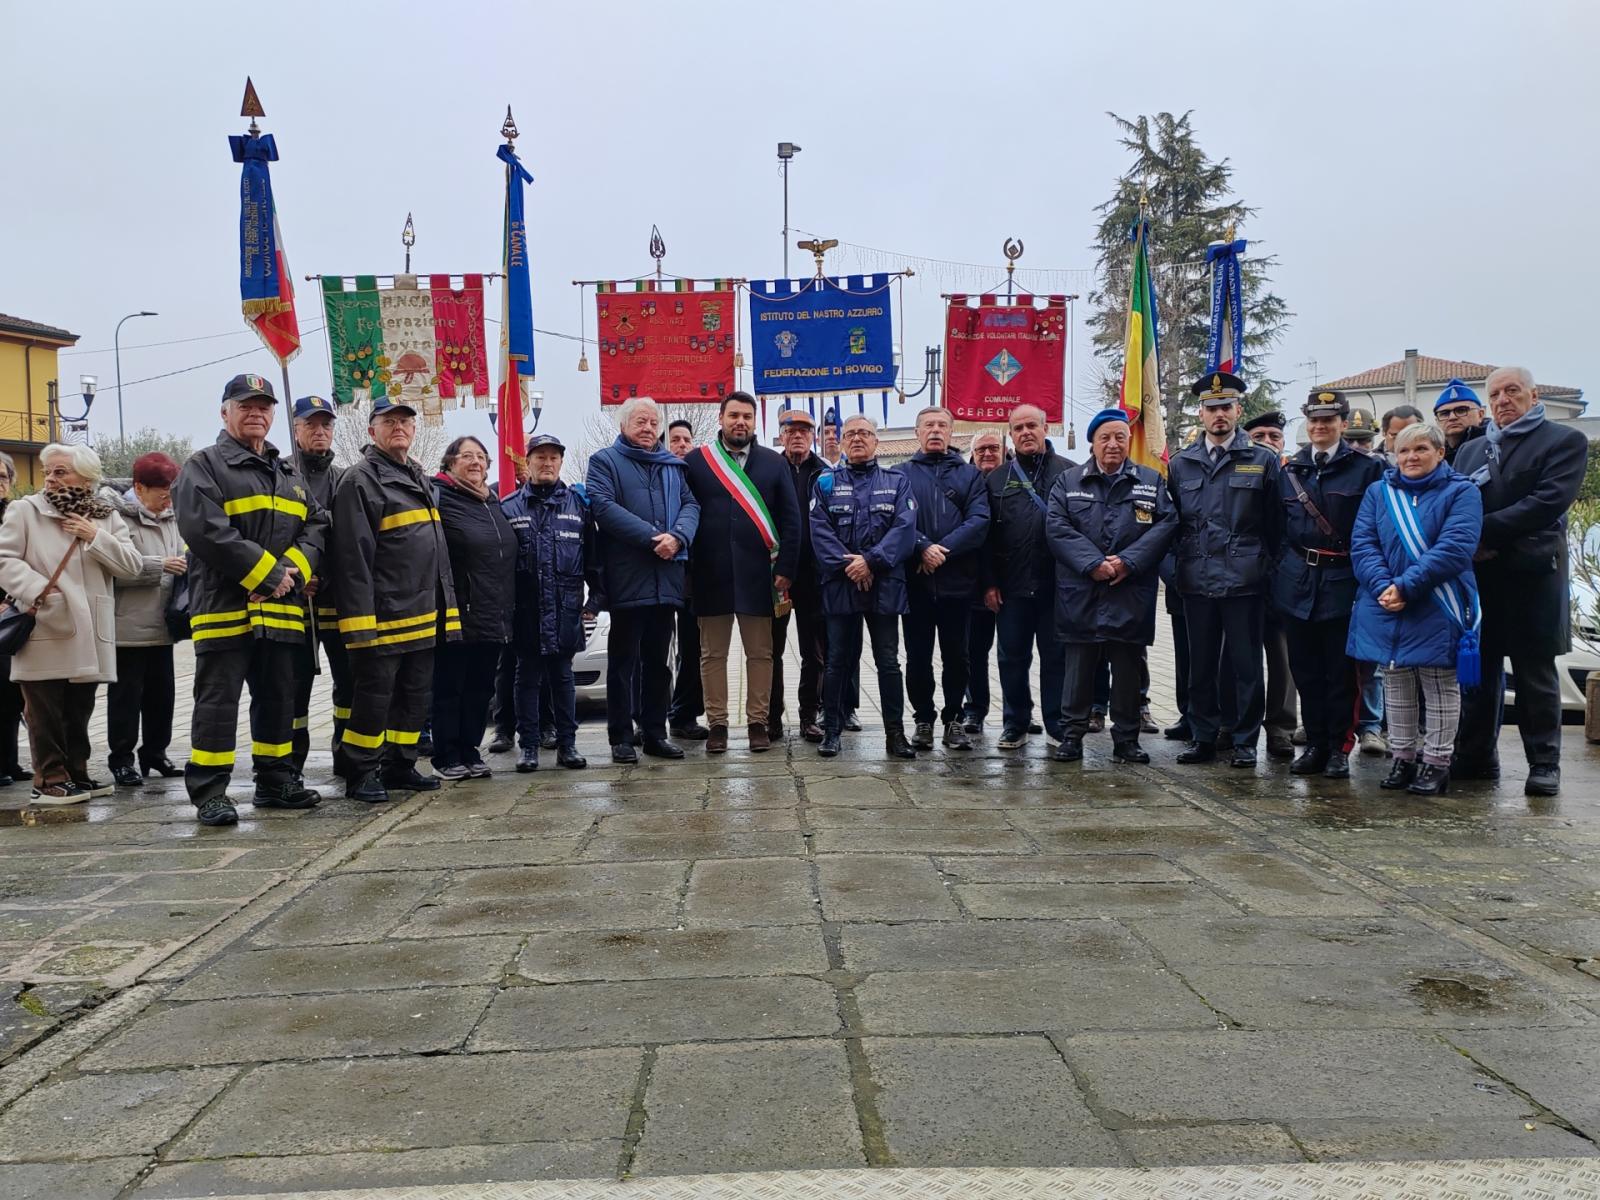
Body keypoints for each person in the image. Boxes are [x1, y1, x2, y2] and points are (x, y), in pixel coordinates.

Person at [175, 374, 329, 825]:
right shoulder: (203, 466)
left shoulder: (288, 474)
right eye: (245, 405)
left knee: (279, 698)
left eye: (264, 406)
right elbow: (205, 530)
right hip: (225, 608)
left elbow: (318, 525)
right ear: (225, 412)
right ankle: (210, 792)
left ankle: (275, 780)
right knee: (217, 705)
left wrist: (294, 570)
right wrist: (268, 574)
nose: (256, 413)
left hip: (280, 610)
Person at [1452, 366, 1588, 796]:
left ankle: (1544, 763)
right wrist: (1464, 540)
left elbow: (1547, 502)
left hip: (1534, 575)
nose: (1502, 400)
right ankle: (1475, 758)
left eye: (1512, 391)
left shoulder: (1564, 441)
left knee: (1535, 677)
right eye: (1494, 394)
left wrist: (1480, 534)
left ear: (1534, 395)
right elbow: (1454, 502)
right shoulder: (1470, 451)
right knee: (1478, 674)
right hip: (1480, 577)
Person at [331, 395, 459, 801]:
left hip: (421, 616)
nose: (399, 427)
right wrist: (359, 627)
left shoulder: (416, 475)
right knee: (373, 701)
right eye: (389, 422)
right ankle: (361, 772)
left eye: (405, 421)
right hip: (383, 620)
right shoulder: (359, 481)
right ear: (372, 431)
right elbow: (352, 560)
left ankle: (400, 765)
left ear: (414, 429)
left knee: (414, 698)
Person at [0, 443, 144, 802]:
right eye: (47, 471)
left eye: (60, 471)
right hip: (45, 623)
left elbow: (132, 566)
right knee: (44, 709)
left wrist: (94, 536)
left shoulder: (106, 517)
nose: (50, 478)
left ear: (87, 476)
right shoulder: (25, 510)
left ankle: (76, 773)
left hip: (90, 628)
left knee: (79, 707)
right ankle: (49, 780)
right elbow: (4, 560)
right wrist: (40, 592)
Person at [1348, 423, 1483, 795]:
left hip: (1438, 600)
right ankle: (1403, 758)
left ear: (1440, 453)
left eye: (1421, 449)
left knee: (1439, 684)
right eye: (1404, 450)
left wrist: (1406, 586)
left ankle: (1437, 763)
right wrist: (1383, 586)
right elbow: (1363, 544)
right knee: (1396, 680)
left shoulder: (1462, 492)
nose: (1411, 457)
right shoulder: (1379, 492)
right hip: (1386, 600)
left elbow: (1456, 546)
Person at [1046, 408, 1177, 764]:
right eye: (1105, 437)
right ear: (1093, 443)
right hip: (1082, 590)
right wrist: (1094, 564)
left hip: (1129, 590)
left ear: (1129, 441)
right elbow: (1056, 527)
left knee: (1128, 671)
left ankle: (1127, 739)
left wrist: (1127, 562)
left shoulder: (1150, 481)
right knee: (1078, 670)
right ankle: (1072, 736)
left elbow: (1166, 526)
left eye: (1120, 437)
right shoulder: (1069, 481)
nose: (1113, 444)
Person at [1169, 372, 1282, 768]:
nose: (1219, 414)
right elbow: (1170, 525)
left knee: (1246, 665)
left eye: (1226, 407)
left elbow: (1277, 526)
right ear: (1200, 413)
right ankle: (1203, 736)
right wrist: (1175, 570)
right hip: (1196, 579)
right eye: (1211, 408)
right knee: (1199, 665)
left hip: (1245, 581)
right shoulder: (1181, 464)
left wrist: (1265, 569)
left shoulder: (1262, 460)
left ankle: (1244, 739)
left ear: (1238, 410)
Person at [1273, 390, 1385, 779]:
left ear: (1342, 423)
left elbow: (1376, 528)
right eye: (1314, 419)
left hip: (1344, 580)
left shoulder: (1366, 469)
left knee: (1342, 673)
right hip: (1297, 583)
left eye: (1328, 419)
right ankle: (1316, 743)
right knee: (1305, 670)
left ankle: (1339, 747)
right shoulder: (1291, 469)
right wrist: (1281, 572)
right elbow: (1276, 527)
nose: (1320, 426)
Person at [683, 392, 800, 753]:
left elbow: (791, 519)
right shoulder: (697, 462)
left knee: (761, 654)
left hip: (760, 575)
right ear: (721, 418)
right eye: (734, 415)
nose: (740, 422)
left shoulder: (774, 463)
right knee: (712, 655)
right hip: (710, 573)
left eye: (747, 416)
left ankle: (757, 723)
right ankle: (717, 724)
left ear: (754, 422)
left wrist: (786, 568)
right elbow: (685, 511)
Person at [587, 396, 701, 763]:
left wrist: (678, 537)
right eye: (641, 421)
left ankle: (655, 733)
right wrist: (655, 538)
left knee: (658, 663)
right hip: (627, 579)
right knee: (623, 663)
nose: (648, 428)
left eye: (654, 423)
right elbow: (604, 508)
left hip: (666, 579)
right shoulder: (605, 461)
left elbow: (691, 505)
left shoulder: (672, 466)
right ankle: (621, 737)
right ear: (623, 425)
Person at [811, 415, 919, 759]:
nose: (858, 439)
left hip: (884, 584)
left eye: (865, 433)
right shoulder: (825, 483)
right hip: (841, 584)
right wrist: (854, 567)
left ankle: (895, 735)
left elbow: (904, 528)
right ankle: (832, 732)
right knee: (836, 660)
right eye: (851, 434)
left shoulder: (897, 482)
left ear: (876, 441)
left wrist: (870, 562)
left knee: (888, 661)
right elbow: (820, 531)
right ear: (841, 441)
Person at [899, 406, 991, 751]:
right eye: (928, 425)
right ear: (917, 432)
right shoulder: (901, 474)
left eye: (942, 425)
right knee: (917, 656)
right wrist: (922, 547)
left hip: (957, 582)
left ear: (952, 432)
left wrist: (941, 551)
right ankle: (923, 719)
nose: (935, 430)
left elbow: (978, 521)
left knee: (957, 656)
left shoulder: (970, 476)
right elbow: (897, 520)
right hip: (916, 582)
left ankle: (954, 718)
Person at [502, 433, 593, 771]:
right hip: (525, 612)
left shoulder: (578, 506)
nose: (547, 463)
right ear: (527, 462)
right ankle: (528, 747)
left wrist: (596, 600)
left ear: (561, 463)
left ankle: (568, 745)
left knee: (563, 679)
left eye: (554, 457)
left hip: (565, 610)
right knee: (526, 679)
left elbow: (593, 559)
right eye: (540, 457)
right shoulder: (509, 507)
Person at [985, 405, 1073, 749]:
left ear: (1045, 428)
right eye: (1018, 428)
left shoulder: (1070, 473)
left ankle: (1057, 723)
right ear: (1011, 434)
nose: (1025, 433)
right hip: (1012, 586)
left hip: (1058, 587)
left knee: (1057, 658)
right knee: (1011, 658)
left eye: (1031, 426)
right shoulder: (996, 479)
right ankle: (1015, 722)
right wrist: (989, 582)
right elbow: (986, 537)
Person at [430, 436, 515, 779]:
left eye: (481, 456)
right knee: (450, 688)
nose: (476, 462)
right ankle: (446, 756)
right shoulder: (439, 497)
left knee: (480, 689)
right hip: (456, 613)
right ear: (450, 462)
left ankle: (470, 750)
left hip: (493, 613)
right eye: (467, 456)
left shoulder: (491, 502)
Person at [102, 452, 186, 787]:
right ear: (139, 488)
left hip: (163, 625)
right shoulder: (115, 517)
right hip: (127, 628)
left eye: (171, 494)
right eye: (162, 494)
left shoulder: (173, 517)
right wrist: (159, 565)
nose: (168, 501)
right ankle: (121, 759)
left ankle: (155, 752)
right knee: (125, 699)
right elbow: (112, 569)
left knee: (162, 697)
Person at [287, 396, 352, 769]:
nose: (319, 431)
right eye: (310, 424)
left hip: (337, 600)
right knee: (294, 686)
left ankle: (346, 756)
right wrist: (299, 574)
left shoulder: (345, 479)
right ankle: (292, 763)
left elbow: (351, 536)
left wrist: (324, 574)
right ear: (295, 428)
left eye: (326, 425)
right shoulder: (281, 474)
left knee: (349, 682)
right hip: (295, 601)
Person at [769, 407, 832, 743]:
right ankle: (772, 717)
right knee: (771, 651)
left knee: (814, 652)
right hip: (776, 575)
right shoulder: (769, 468)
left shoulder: (825, 473)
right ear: (781, 436)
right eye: (790, 431)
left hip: (813, 576)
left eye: (804, 431)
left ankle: (810, 714)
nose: (797, 436)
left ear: (814, 437)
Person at [1243, 409, 1297, 757]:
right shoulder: (1238, 471)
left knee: (1283, 660)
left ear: (1283, 441)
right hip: (1244, 579)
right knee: (1240, 659)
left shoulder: (1295, 476)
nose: (1267, 442)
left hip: (1284, 581)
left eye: (1273, 437)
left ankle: (1281, 727)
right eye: (1258, 437)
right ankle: (1235, 724)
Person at [664, 418, 707, 741]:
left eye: (686, 440)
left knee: (693, 651)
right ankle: (649, 717)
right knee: (655, 652)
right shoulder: (656, 475)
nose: (681, 445)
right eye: (675, 439)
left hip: (695, 579)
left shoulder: (701, 478)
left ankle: (685, 714)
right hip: (661, 575)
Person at [961, 429, 1006, 733]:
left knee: (1015, 654)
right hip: (975, 583)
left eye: (993, 448)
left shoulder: (1017, 479)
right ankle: (975, 709)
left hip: (1015, 580)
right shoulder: (967, 482)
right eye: (981, 450)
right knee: (974, 652)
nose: (987, 454)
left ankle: (1019, 712)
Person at [0, 453, 25, 786]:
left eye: (3, 477)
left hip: (11, 611)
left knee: (11, 691)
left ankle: (10, 761)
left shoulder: (14, 516)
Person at [1436, 379, 1487, 466]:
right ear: (1437, 420)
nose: (1452, 417)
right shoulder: (1434, 455)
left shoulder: (1495, 445)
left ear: (1480, 415)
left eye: (1461, 410)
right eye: (1445, 413)